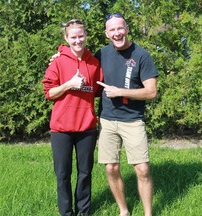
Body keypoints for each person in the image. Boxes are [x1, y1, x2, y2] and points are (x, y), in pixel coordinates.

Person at [95, 12, 158, 216]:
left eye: (120, 28)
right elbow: (78, 63)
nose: (117, 33)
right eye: (112, 30)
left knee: (142, 170)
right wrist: (60, 54)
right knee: (111, 168)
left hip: (132, 121)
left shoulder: (141, 55)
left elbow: (151, 92)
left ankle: (148, 213)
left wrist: (121, 91)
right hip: (107, 120)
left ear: (127, 29)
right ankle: (124, 211)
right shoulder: (101, 54)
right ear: (107, 33)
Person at [42, 19, 103, 216]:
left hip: (87, 128)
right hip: (61, 129)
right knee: (63, 175)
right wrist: (69, 84)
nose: (78, 40)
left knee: (85, 173)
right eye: (73, 37)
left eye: (81, 36)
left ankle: (84, 212)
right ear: (66, 38)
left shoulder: (93, 63)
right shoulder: (58, 62)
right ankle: (66, 213)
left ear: (86, 36)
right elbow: (49, 93)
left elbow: (98, 90)